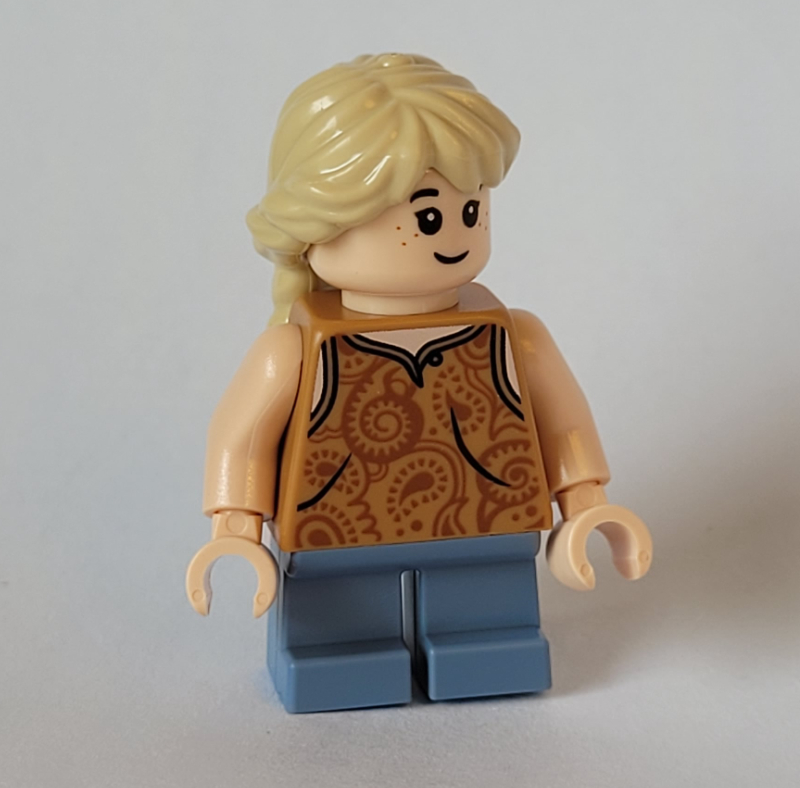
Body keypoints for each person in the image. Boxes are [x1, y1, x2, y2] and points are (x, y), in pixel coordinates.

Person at [186, 53, 653, 713]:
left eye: (472, 208)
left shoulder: (515, 334)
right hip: (336, 533)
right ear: (316, 222)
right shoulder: (293, 349)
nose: (455, 233)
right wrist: (236, 529)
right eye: (427, 216)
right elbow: (241, 439)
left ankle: (485, 645)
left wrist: (586, 503)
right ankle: (336, 657)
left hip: (486, 525)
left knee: (486, 627)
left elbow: (563, 423)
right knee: (341, 637)